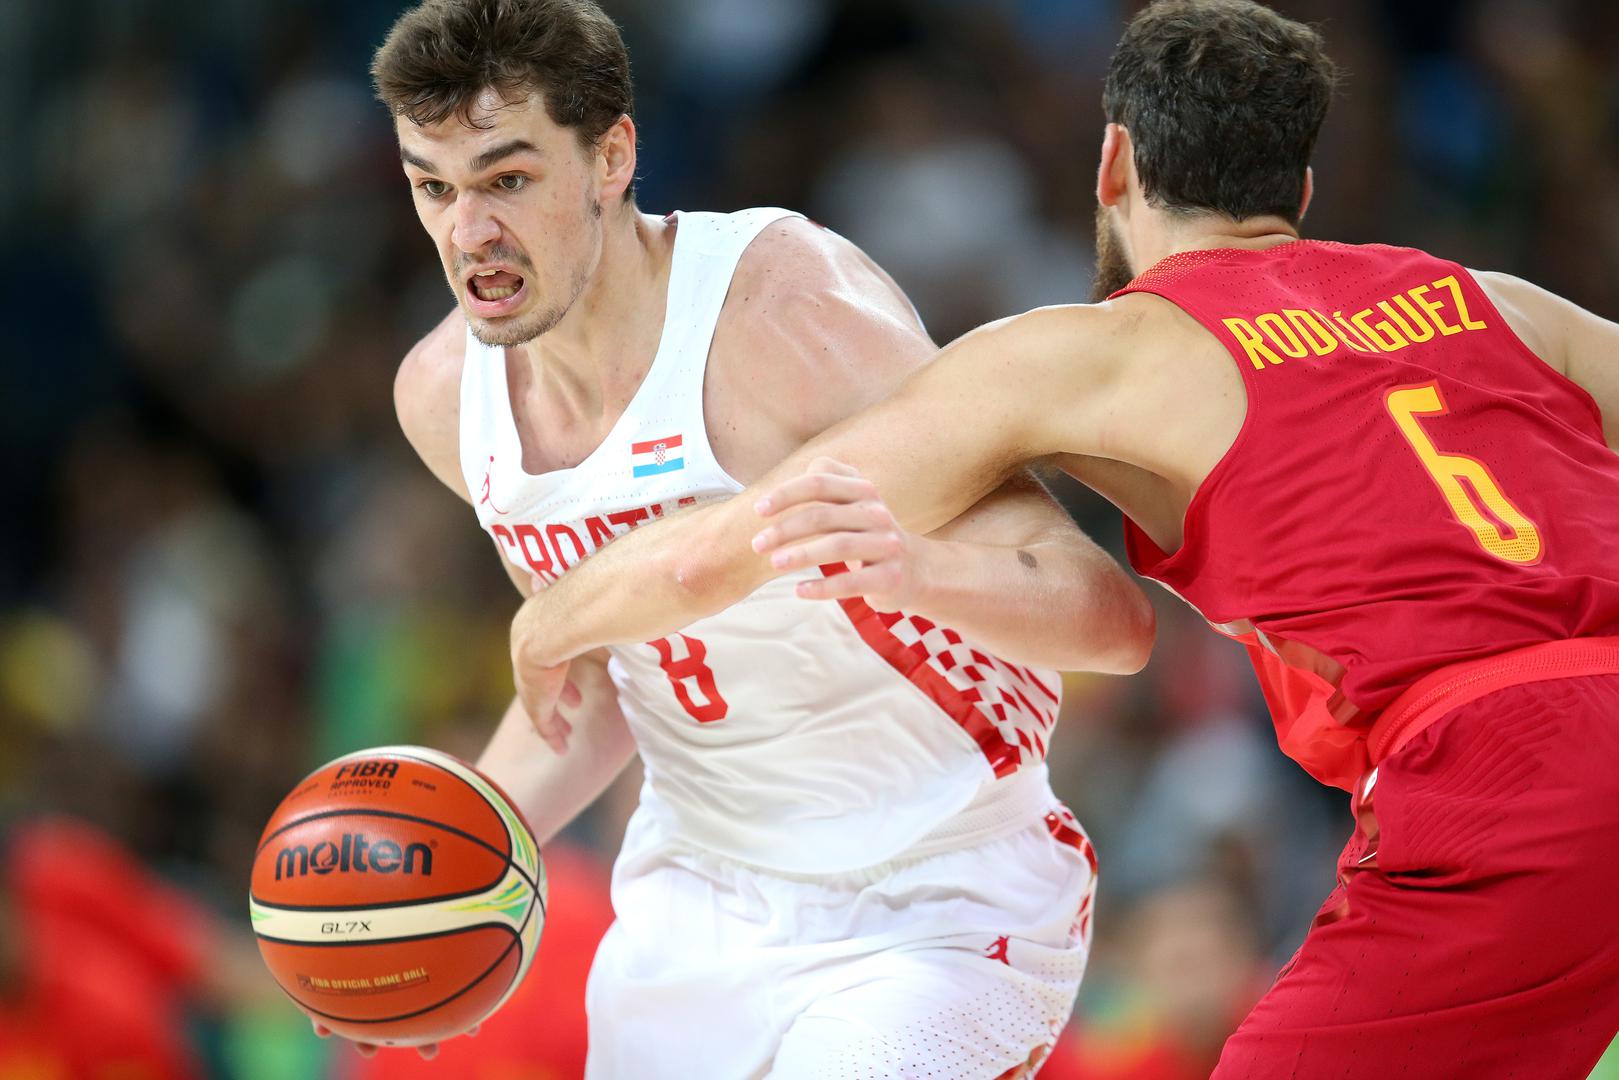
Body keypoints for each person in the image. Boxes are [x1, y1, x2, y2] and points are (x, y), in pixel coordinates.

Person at [507, 1, 1619, 1076]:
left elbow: (750, 536)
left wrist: (553, 617)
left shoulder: (1095, 353)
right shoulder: (1490, 300)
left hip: (1495, 770)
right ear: (1301, 188)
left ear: (1113, 164)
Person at [329, 1, 1157, 1076]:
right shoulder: (446, 397)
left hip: (933, 888)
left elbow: (1100, 611)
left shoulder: (779, 305)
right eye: (434, 188)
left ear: (612, 157)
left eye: (508, 179)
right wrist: (441, 895)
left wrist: (917, 569)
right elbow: (601, 680)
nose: (468, 233)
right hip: (693, 906)